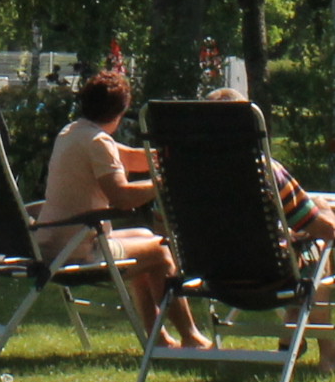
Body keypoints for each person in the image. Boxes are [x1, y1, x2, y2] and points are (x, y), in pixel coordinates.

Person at [35, 71, 208, 349]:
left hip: (52, 240)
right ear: (121, 111)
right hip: (76, 249)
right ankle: (191, 337)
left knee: (143, 235)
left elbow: (128, 157)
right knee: (160, 251)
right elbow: (122, 198)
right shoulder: (98, 142)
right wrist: (166, 183)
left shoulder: (73, 132)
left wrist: (173, 156)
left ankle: (158, 338)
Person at [207, 87, 335, 372]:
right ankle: (329, 351)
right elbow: (324, 229)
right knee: (319, 249)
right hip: (267, 275)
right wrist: (323, 206)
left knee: (297, 252)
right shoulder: (263, 170)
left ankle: (293, 334)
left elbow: (163, 225)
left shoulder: (181, 176)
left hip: (212, 276)